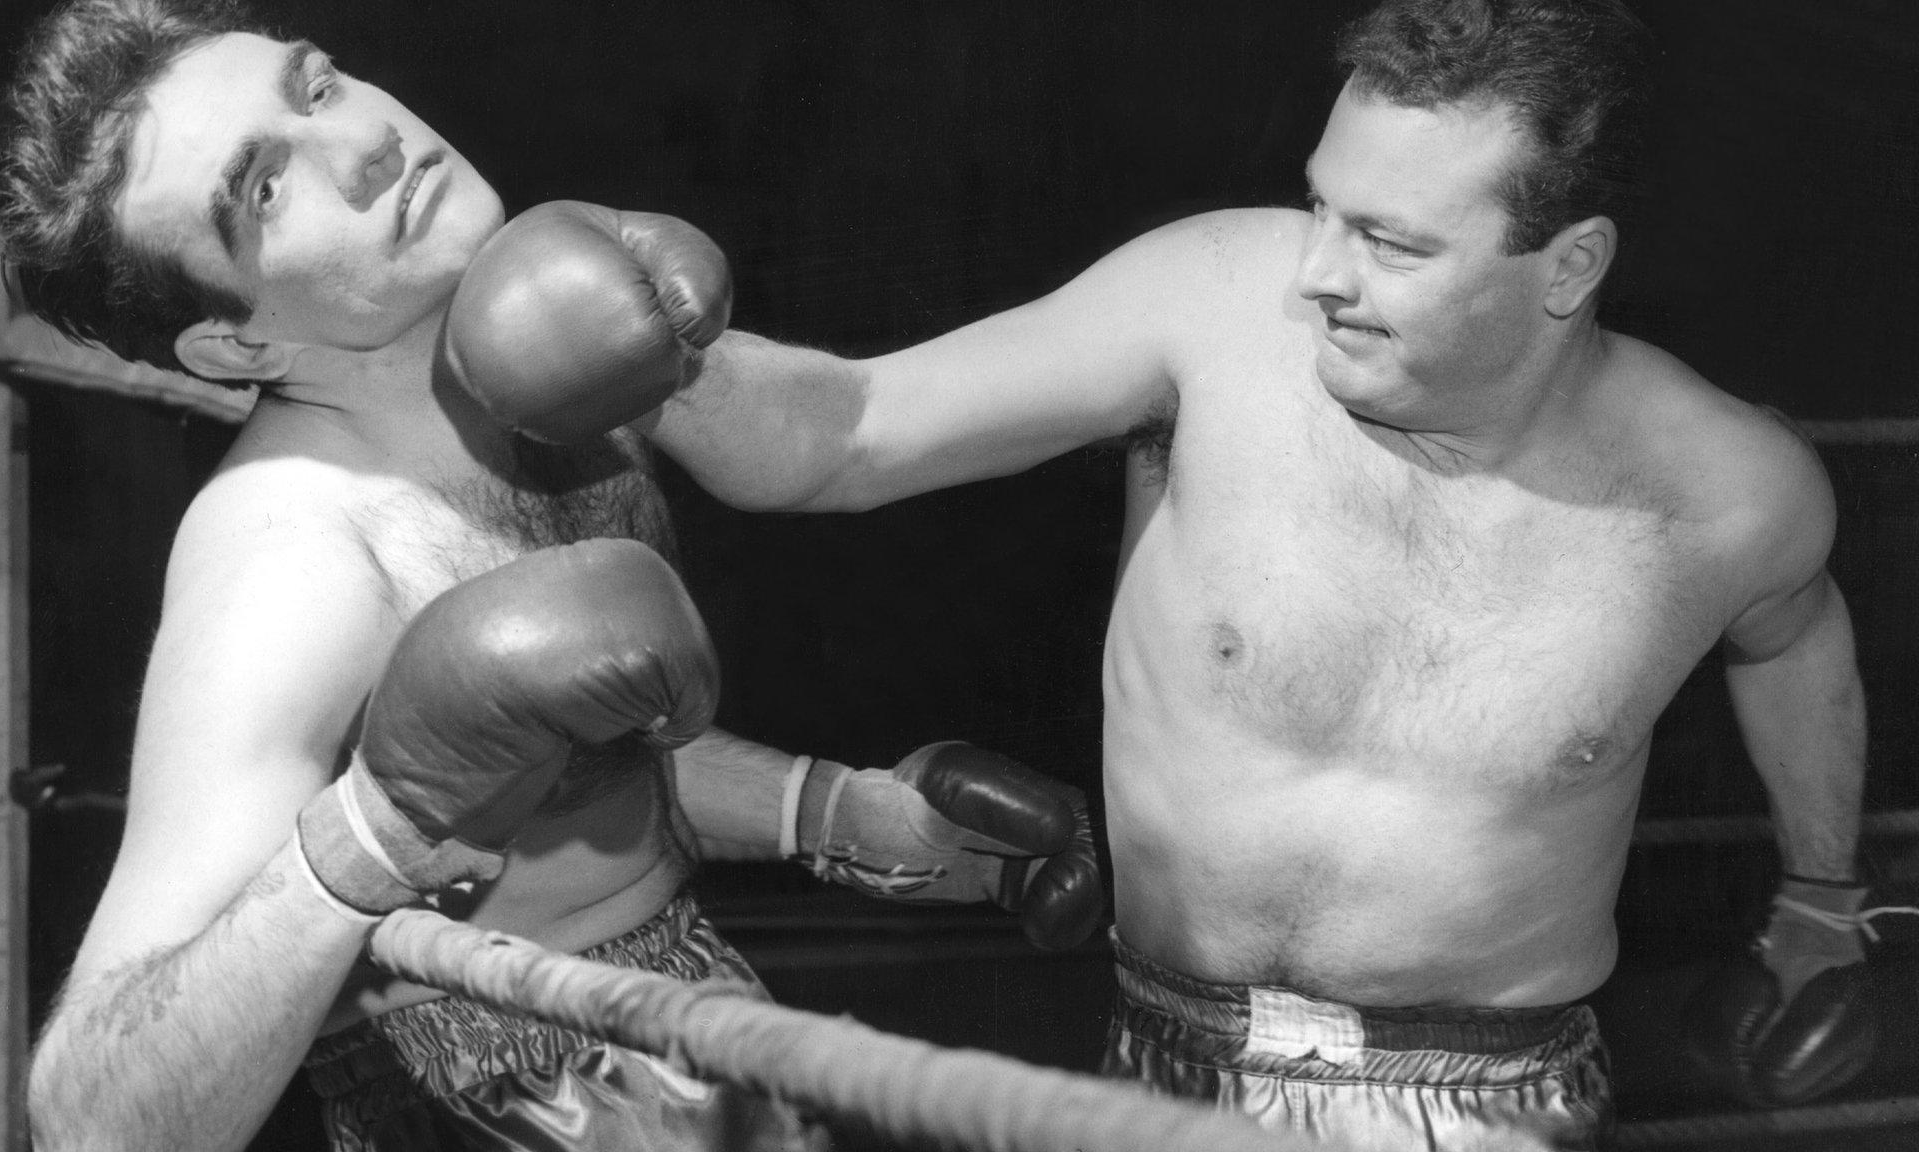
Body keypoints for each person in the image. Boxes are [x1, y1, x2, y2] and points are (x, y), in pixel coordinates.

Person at [491, 1, 1881, 1147]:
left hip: (1493, 1095)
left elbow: (1794, 638)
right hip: (1167, 1061)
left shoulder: (1724, 493)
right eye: (1322, 208)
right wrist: (657, 352)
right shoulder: (1208, 305)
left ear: (1568, 265)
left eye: (1392, 243)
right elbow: (849, 434)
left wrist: (1819, 902)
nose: (1319, 273)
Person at [0, 2, 1102, 1150]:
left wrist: (841, 813)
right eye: (266, 188)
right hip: (475, 1105)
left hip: (689, 1022)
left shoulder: (549, 373)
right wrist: (374, 830)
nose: (364, 144)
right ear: (238, 347)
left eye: (315, 86)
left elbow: (556, 762)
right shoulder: (290, 564)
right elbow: (94, 1120)